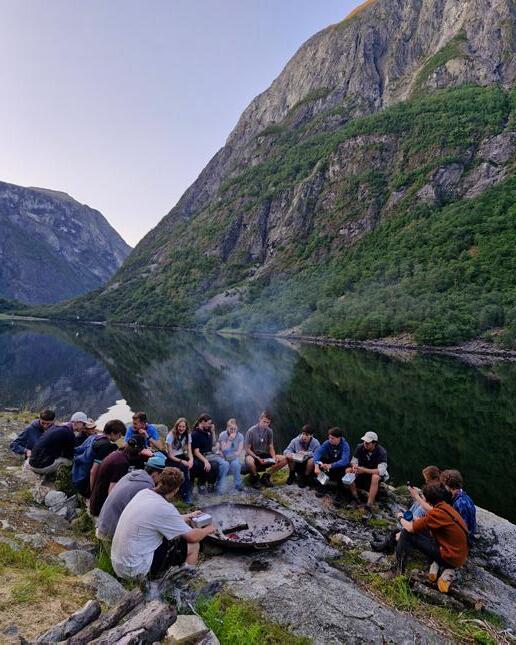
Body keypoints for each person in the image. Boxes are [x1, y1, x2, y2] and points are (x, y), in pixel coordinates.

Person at [110, 467, 216, 580]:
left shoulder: (144, 493)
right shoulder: (164, 508)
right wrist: (208, 529)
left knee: (168, 537)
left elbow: (160, 519)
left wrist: (187, 516)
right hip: (134, 569)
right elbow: (193, 537)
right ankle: (184, 581)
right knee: (193, 546)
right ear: (176, 489)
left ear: (160, 480)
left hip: (119, 563)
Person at [396, 483, 469, 593]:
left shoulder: (436, 514)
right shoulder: (446, 507)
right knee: (414, 527)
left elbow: (410, 528)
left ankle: (397, 570)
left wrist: (400, 517)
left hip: (449, 558)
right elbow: (430, 516)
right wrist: (416, 519)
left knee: (406, 533)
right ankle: (386, 543)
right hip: (458, 554)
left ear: (428, 499)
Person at [371, 465, 444, 553]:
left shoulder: (440, 490)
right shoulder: (436, 487)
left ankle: (389, 542)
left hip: (432, 521)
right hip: (429, 514)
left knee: (421, 508)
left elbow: (434, 509)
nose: (426, 482)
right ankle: (391, 537)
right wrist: (419, 495)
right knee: (417, 504)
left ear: (435, 479)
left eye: (427, 480)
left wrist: (417, 496)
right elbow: (429, 501)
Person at [96, 452, 167, 543]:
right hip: (110, 532)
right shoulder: (146, 486)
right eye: (161, 476)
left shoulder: (133, 475)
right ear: (156, 474)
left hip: (102, 525)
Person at [89, 436, 146, 517]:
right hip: (101, 509)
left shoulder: (117, 454)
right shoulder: (121, 463)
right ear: (138, 451)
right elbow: (112, 491)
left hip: (96, 501)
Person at [72, 419, 125, 498]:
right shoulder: (105, 446)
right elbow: (93, 471)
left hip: (76, 475)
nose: (120, 438)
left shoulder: (94, 437)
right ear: (112, 433)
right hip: (84, 482)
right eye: (119, 435)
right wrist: (92, 493)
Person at [346, 431, 388, 511]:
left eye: (367, 443)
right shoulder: (360, 447)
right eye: (364, 441)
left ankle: (369, 504)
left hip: (372, 473)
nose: (365, 444)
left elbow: (382, 471)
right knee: (348, 471)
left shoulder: (381, 452)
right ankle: (355, 497)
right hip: (361, 471)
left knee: (375, 477)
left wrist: (364, 470)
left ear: (374, 443)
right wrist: (354, 467)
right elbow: (353, 461)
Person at [245, 411, 287, 489]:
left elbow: (271, 446)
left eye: (267, 422)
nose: (265, 424)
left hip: (263, 455)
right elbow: (247, 449)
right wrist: (257, 457)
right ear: (260, 419)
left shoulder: (269, 431)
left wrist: (274, 457)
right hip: (252, 455)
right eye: (264, 421)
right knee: (249, 461)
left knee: (285, 459)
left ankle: (266, 476)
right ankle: (255, 478)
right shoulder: (251, 431)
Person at [191, 413, 229, 495]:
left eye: (210, 423)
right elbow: (196, 452)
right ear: (202, 422)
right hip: (200, 456)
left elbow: (214, 444)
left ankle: (215, 484)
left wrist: (213, 432)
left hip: (210, 455)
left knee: (224, 464)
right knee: (214, 465)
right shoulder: (195, 434)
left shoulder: (208, 432)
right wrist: (205, 461)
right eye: (209, 423)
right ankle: (201, 484)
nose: (210, 425)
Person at [313, 427, 350, 504]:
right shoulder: (327, 443)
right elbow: (318, 452)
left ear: (339, 438)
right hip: (331, 462)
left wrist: (331, 465)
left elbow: (345, 460)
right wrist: (316, 465)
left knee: (341, 473)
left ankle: (339, 494)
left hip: (340, 465)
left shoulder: (345, 445)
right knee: (321, 462)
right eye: (329, 437)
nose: (330, 440)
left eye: (332, 438)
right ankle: (323, 487)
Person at [440, 469, 477, 543]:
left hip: (465, 536)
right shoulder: (465, 496)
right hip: (470, 530)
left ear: (447, 485)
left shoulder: (459, 503)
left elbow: (463, 525)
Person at [166, 417, 194, 503]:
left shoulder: (187, 434)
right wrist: (182, 461)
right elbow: (170, 455)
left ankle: (190, 489)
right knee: (184, 468)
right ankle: (185, 495)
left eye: (183, 426)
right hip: (172, 459)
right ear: (176, 426)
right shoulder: (171, 435)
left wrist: (191, 460)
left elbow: (189, 450)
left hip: (181, 456)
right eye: (180, 426)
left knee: (194, 465)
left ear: (186, 427)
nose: (181, 428)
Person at [216, 418, 245, 492]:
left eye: (235, 429)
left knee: (236, 464)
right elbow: (224, 451)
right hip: (223, 456)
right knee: (225, 465)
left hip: (234, 457)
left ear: (237, 428)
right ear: (227, 427)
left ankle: (237, 484)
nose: (233, 431)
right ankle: (219, 485)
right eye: (231, 429)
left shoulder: (240, 436)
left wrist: (231, 455)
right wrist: (230, 439)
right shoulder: (223, 435)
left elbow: (239, 452)